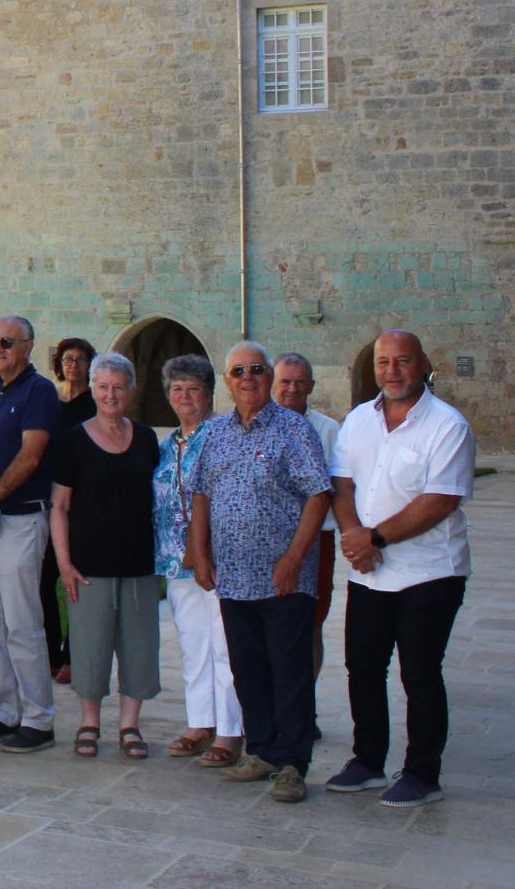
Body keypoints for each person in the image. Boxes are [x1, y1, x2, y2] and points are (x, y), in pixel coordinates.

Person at [327, 330, 476, 808]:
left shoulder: (447, 426)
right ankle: (368, 761)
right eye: (383, 362)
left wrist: (373, 538)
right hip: (370, 572)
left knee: (420, 674)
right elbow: (343, 485)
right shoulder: (357, 421)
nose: (391, 371)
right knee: (363, 667)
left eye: (402, 361)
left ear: (424, 363)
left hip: (430, 573)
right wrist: (357, 541)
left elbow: (439, 501)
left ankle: (421, 773)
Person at [190, 341, 332, 804]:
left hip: (282, 576)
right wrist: (200, 553)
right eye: (237, 371)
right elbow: (202, 496)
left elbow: (317, 494)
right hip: (233, 574)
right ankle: (263, 750)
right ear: (227, 381)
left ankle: (293, 763)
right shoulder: (213, 434)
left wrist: (294, 558)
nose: (247, 377)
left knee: (289, 668)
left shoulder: (294, 429)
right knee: (247, 668)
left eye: (255, 369)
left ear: (269, 376)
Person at [50, 352, 161, 760]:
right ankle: (89, 721)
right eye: (103, 387)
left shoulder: (147, 439)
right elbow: (59, 507)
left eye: (118, 387)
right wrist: (64, 563)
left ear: (130, 391)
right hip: (88, 564)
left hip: (139, 562)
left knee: (139, 646)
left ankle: (130, 724)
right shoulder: (73, 440)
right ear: (93, 390)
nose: (110, 394)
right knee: (89, 646)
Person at [0, 315, 61, 754]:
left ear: (28, 346)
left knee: (23, 622)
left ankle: (39, 717)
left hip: (19, 519)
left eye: (7, 342)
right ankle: (6, 709)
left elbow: (31, 456)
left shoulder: (38, 392)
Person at [154, 354, 244, 767]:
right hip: (175, 559)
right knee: (192, 642)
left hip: (217, 557)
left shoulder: (224, 435)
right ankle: (199, 721)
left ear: (209, 394)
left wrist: (205, 547)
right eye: (177, 389)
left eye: (193, 389)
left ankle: (230, 729)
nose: (184, 397)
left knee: (225, 644)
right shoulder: (168, 443)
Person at [274, 352, 343, 705]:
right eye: (285, 381)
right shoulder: (257, 424)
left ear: (312, 386)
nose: (292, 389)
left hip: (317, 540)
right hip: (269, 539)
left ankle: (304, 705)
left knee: (310, 623)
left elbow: (336, 487)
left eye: (300, 382)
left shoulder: (328, 430)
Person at [45, 336, 96, 684]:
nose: (72, 365)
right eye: (67, 359)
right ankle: (49, 652)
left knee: (76, 578)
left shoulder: (94, 402)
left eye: (79, 359)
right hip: (48, 495)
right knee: (41, 579)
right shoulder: (49, 401)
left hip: (81, 498)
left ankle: (72, 655)